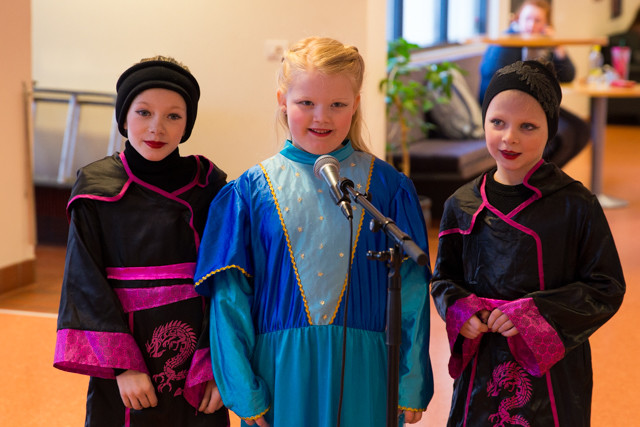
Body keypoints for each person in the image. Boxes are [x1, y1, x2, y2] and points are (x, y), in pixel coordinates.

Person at [194, 36, 433, 427]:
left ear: (356, 105)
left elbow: (411, 292)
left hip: (367, 372)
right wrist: (242, 388)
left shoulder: (388, 187)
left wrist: (411, 380)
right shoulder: (249, 192)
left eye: (337, 105)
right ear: (282, 101)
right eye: (306, 103)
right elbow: (230, 298)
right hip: (280, 374)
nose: (322, 117)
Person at [430, 60, 625, 426]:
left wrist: (534, 315)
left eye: (528, 126)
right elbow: (444, 279)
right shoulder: (462, 204)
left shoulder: (575, 204)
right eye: (497, 122)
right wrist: (461, 312)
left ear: (550, 130)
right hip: (482, 365)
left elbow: (606, 287)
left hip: (552, 373)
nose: (509, 138)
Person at [53, 56, 229, 426]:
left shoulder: (209, 184)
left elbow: (227, 281)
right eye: (144, 112)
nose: (156, 128)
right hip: (126, 347)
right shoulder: (96, 188)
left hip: (199, 349)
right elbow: (84, 282)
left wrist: (217, 363)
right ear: (123, 117)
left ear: (187, 124)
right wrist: (123, 366)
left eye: (173, 116)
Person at [478, 0, 590, 168]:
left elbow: (568, 76)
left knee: (581, 129)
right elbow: (494, 82)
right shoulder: (506, 42)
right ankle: (534, 176)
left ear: (546, 24)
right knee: (559, 136)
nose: (531, 25)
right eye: (527, 19)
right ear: (518, 19)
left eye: (537, 20)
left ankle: (546, 176)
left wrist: (557, 45)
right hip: (506, 107)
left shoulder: (541, 45)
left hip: (534, 104)